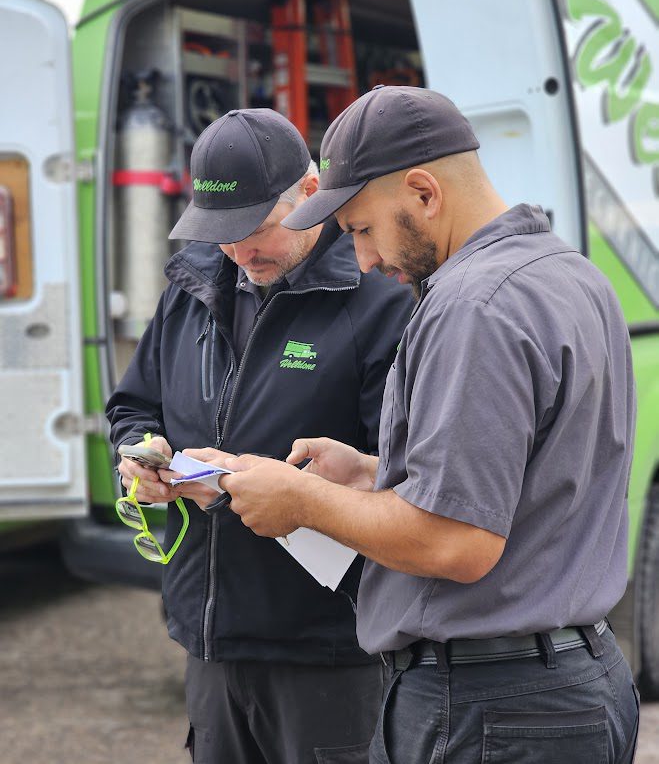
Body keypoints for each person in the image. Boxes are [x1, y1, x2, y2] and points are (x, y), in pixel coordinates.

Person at [202, 87, 640, 763]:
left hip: (490, 706)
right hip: (569, 684)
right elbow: (529, 478)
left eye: (361, 229)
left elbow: (457, 542)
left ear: (423, 192)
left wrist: (303, 500)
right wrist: (371, 470)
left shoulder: (471, 305)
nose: (367, 260)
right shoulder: (570, 273)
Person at [106, 108, 414, 764]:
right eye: (221, 233)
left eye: (257, 227)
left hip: (329, 651)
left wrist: (272, 486)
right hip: (210, 641)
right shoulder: (188, 288)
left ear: (310, 193)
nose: (240, 250)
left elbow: (404, 478)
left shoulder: (378, 299)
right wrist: (142, 456)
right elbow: (133, 405)